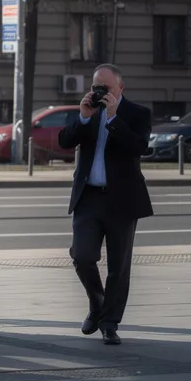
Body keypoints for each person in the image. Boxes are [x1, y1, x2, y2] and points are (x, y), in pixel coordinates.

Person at [57, 64, 153, 346]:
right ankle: (97, 302)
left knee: (118, 267)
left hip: (122, 200)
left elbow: (139, 147)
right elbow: (64, 141)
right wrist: (84, 119)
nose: (99, 92)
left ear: (120, 89)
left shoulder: (137, 113)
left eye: (106, 88)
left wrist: (113, 118)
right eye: (95, 86)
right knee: (82, 255)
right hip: (89, 197)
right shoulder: (90, 110)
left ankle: (109, 323)